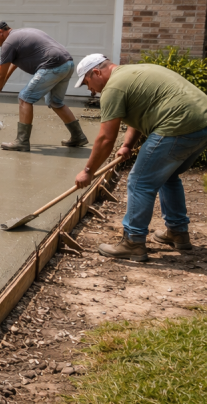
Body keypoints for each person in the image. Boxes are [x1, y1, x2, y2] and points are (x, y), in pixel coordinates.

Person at [74, 53, 207, 262]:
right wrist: (127, 145)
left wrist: (88, 171)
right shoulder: (133, 74)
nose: (90, 90)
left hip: (177, 125)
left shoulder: (113, 89)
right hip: (201, 125)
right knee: (168, 175)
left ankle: (133, 242)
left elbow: (105, 139)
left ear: (96, 72)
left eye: (87, 83)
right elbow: (138, 114)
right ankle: (177, 232)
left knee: (139, 182)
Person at [0, 21, 87, 152]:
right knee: (55, 102)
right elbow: (13, 64)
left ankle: (22, 141)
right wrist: (5, 80)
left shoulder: (8, 43)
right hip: (67, 64)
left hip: (52, 65)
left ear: (0, 32)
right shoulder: (21, 34)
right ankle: (78, 136)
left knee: (25, 98)